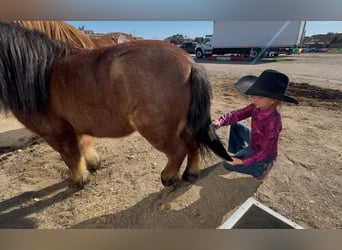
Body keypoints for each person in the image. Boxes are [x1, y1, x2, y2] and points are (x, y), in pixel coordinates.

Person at [212, 69, 298, 179]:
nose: (254, 99)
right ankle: (241, 152)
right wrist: (220, 121)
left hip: (263, 152)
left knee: (226, 165)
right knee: (236, 124)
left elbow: (265, 151)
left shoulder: (273, 121)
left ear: (273, 100)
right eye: (254, 95)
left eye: (260, 97)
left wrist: (242, 162)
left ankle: (261, 170)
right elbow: (237, 114)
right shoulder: (255, 107)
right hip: (254, 139)